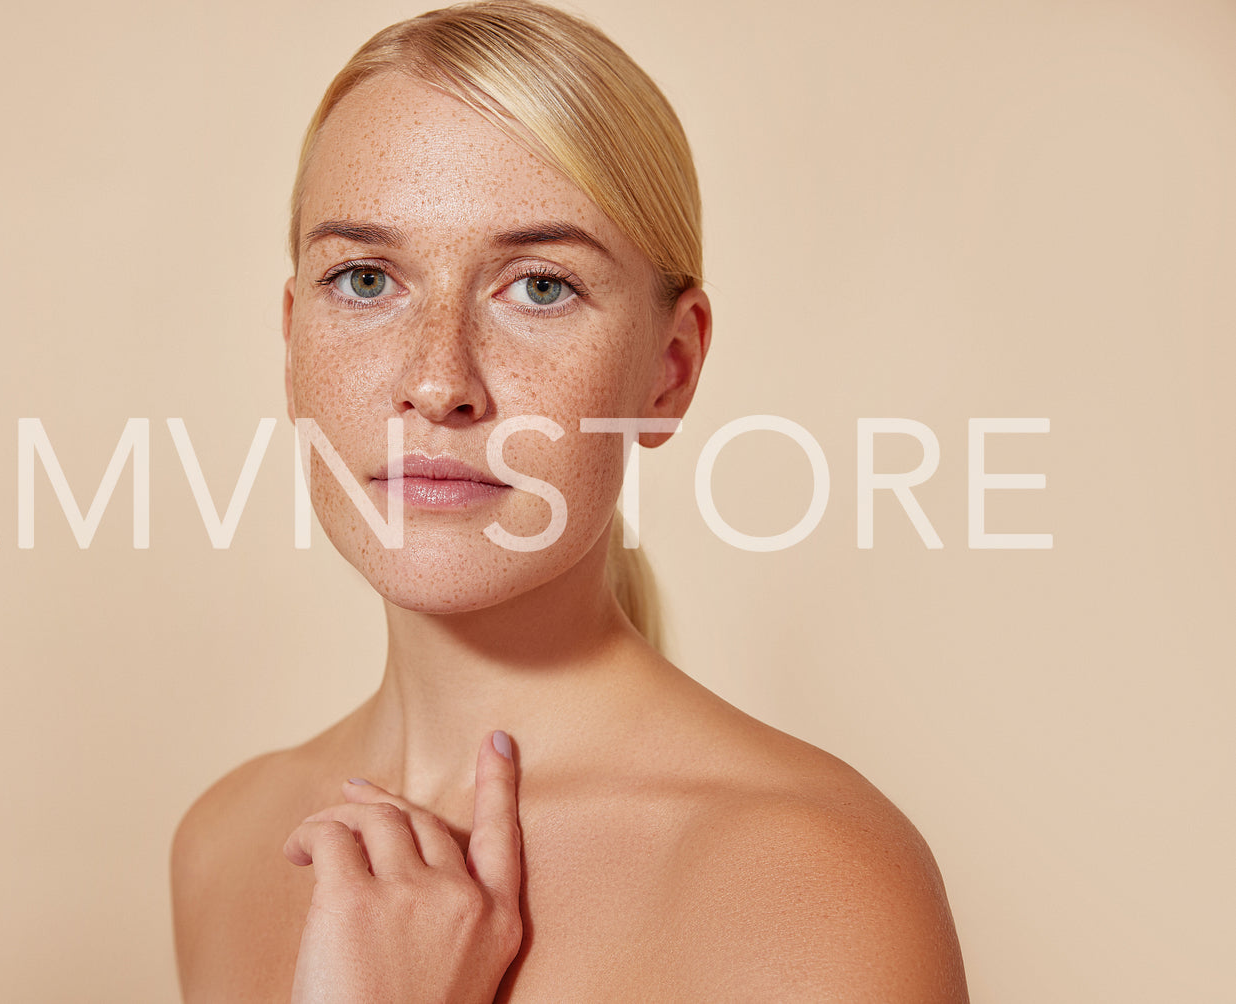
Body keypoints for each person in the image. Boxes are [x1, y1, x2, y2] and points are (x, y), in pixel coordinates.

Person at [171, 1, 969, 999]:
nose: (437, 380)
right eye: (366, 277)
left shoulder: (808, 879)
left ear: (668, 369)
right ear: (291, 341)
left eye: (538, 287)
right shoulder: (226, 844)